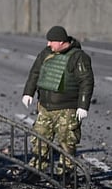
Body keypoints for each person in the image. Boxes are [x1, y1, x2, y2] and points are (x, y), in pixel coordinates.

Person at [21, 25, 94, 180]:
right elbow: (35, 73)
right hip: (45, 107)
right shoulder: (46, 54)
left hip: (67, 109)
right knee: (39, 138)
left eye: (51, 41)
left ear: (61, 42)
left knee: (67, 142)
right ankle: (36, 170)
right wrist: (28, 92)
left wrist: (83, 105)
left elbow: (86, 81)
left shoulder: (78, 57)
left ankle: (66, 174)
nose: (48, 44)